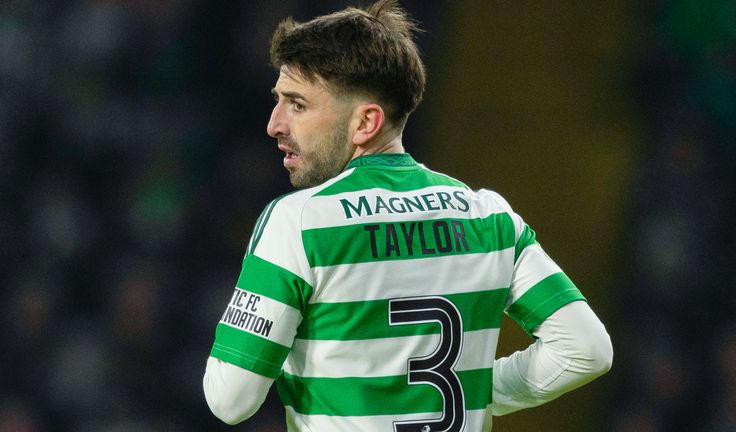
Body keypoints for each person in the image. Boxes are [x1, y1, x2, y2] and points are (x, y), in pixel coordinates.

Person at [203, 1, 613, 430]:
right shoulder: (490, 217)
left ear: (365, 122)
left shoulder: (300, 223)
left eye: (298, 105)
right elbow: (585, 349)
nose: (274, 124)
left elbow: (229, 399)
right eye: (278, 101)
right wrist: (475, 390)